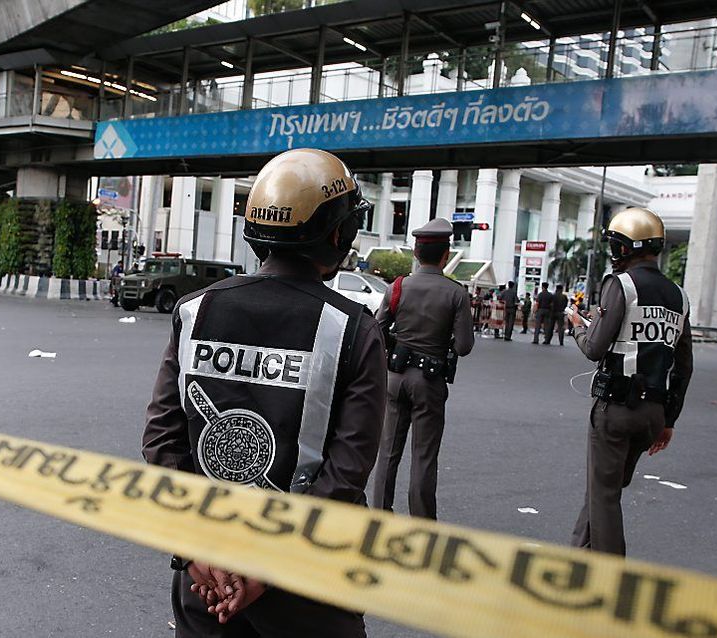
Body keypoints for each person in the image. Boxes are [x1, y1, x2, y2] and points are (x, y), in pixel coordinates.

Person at [142, 148, 384, 637]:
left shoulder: (195, 311)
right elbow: (346, 471)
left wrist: (193, 554)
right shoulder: (354, 329)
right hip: (307, 580)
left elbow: (161, 441)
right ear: (339, 233)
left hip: (206, 580)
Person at [567, 207, 693, 556]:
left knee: (605, 495)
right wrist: (668, 421)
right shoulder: (679, 297)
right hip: (653, 413)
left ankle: (610, 576)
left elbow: (595, 348)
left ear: (624, 247)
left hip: (617, 409)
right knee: (603, 489)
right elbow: (684, 367)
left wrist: (578, 325)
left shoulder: (620, 284)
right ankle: (576, 556)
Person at [371, 217, 475, 520]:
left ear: (416, 253)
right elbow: (464, 347)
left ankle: (379, 517)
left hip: (395, 377)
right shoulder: (456, 293)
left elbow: (378, 330)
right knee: (424, 457)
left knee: (388, 453)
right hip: (429, 382)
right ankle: (422, 523)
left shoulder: (398, 286)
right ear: (446, 254)